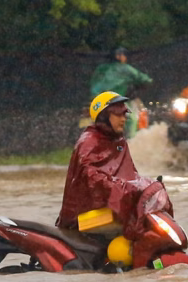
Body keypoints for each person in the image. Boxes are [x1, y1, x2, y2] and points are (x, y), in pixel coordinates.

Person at [56, 91, 157, 233]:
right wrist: (119, 188)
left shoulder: (119, 142)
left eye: (124, 114)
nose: (123, 119)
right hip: (83, 219)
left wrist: (146, 185)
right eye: (118, 114)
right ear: (104, 116)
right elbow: (91, 176)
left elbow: (130, 174)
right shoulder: (89, 141)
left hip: (111, 211)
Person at [89, 47, 152, 139]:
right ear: (119, 56)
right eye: (124, 55)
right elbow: (145, 80)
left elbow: (93, 83)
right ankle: (131, 144)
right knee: (132, 120)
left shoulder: (101, 68)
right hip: (114, 101)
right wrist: (140, 85)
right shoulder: (125, 68)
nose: (125, 57)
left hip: (96, 101)